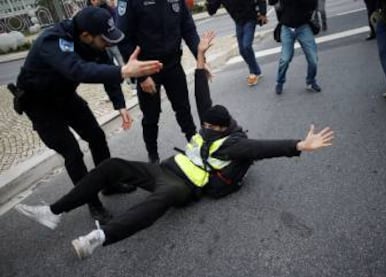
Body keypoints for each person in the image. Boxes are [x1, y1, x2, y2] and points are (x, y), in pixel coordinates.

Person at [15, 32, 334, 260]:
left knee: (158, 202)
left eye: (210, 127)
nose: (205, 128)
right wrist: (199, 58)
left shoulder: (232, 144)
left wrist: (299, 145)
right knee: (112, 166)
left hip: (183, 187)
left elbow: (262, 148)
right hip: (163, 169)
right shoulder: (211, 124)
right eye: (204, 125)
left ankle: (98, 238)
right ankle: (53, 211)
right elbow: (202, 99)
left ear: (222, 128)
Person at [14, 7, 163, 223]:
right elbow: (76, 70)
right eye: (105, 40)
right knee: (73, 153)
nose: (109, 44)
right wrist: (123, 72)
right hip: (39, 104)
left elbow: (104, 68)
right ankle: (93, 204)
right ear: (85, 36)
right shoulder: (51, 41)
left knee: (97, 137)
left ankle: (109, 184)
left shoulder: (92, 40)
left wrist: (120, 105)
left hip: (64, 96)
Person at [116, 0, 200, 164]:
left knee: (183, 108)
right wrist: (141, 76)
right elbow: (124, 39)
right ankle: (153, 157)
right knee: (151, 115)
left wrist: (200, 57)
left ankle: (196, 147)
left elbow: (187, 26)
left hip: (173, 63)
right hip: (147, 68)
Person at [206, 0, 267, 86]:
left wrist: (263, 13)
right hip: (239, 21)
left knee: (246, 46)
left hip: (251, 18)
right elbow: (212, 10)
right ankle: (257, 71)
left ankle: (253, 73)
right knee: (242, 50)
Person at [271, 0, 321, 95]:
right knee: (285, 59)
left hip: (303, 26)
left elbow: (313, 4)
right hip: (286, 27)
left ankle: (311, 81)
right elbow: (272, 2)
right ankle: (280, 82)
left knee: (313, 58)